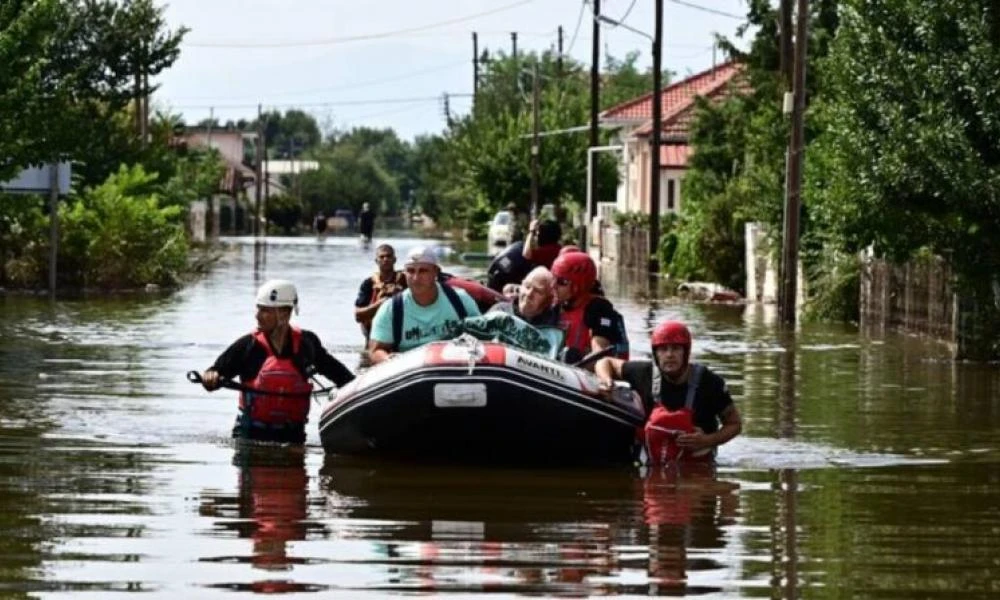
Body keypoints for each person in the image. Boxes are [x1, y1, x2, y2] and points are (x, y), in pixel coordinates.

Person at [198, 279, 355, 444]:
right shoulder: (248, 345)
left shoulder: (306, 343)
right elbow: (215, 372)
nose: (257, 316)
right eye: (258, 309)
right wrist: (210, 377)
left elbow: (341, 376)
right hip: (250, 436)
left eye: (265, 311)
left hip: (293, 436)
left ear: (284, 314)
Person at [594, 320, 742, 463]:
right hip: (654, 463)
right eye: (663, 349)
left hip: (698, 467)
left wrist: (706, 440)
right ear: (656, 354)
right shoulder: (644, 373)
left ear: (686, 352)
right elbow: (605, 362)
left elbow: (735, 424)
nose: (669, 355)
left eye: (676, 349)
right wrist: (607, 381)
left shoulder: (710, 383)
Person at [367, 246, 481, 364]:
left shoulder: (460, 300)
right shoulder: (390, 309)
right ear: (404, 273)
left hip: (454, 367)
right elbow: (376, 350)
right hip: (410, 372)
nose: (416, 278)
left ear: (435, 272)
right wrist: (390, 360)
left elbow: (482, 338)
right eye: (411, 271)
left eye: (423, 271)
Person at [550, 251, 629, 364]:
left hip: (583, 371)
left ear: (579, 285)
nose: (553, 285)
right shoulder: (555, 305)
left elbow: (600, 353)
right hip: (557, 366)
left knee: (570, 356)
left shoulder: (599, 309)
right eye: (553, 278)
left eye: (562, 282)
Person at [485, 219, 561, 293]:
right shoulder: (557, 248)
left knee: (508, 288)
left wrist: (531, 232)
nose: (536, 237)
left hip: (543, 287)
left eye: (537, 234)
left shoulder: (547, 251)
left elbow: (526, 254)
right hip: (545, 284)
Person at [354, 244, 407, 341]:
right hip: (374, 332)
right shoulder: (368, 283)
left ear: (394, 259)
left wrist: (400, 295)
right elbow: (358, 316)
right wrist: (381, 303)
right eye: (382, 257)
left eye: (389, 256)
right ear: (376, 261)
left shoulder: (405, 280)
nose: (385, 259)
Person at [488, 266, 561, 328]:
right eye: (527, 286)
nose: (529, 294)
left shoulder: (552, 323)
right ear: (521, 286)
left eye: (538, 291)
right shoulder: (500, 311)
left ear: (548, 299)